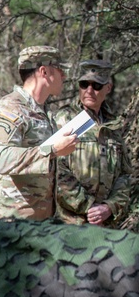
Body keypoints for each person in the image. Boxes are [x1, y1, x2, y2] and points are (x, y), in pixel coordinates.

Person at [0, 46, 82, 220]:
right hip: (7, 223)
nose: (64, 76)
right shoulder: (9, 109)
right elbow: (2, 159)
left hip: (38, 225)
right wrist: (53, 150)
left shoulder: (45, 113)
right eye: (60, 70)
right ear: (44, 71)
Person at [51, 59, 133, 227]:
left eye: (96, 86)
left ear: (108, 88)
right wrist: (88, 206)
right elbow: (55, 168)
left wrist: (109, 207)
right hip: (70, 223)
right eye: (84, 84)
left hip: (106, 225)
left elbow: (125, 174)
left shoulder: (114, 125)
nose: (89, 91)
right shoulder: (64, 120)